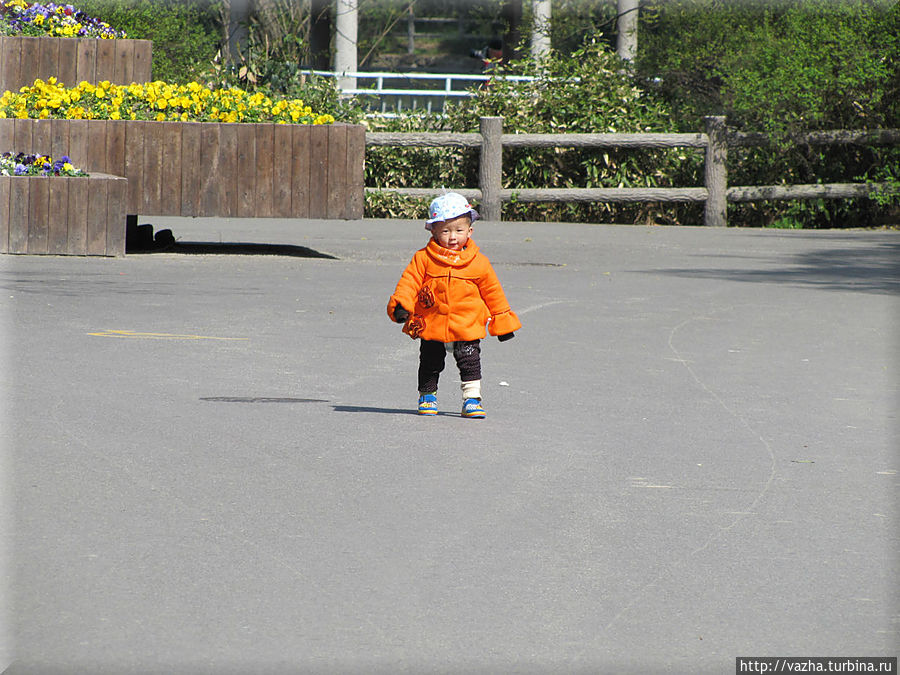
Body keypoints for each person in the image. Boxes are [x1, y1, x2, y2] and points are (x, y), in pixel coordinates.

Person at [387, 192, 521, 418]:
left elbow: (492, 291)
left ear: (470, 231)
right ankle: (427, 395)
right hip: (432, 322)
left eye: (459, 230)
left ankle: (472, 399)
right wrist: (402, 305)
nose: (452, 237)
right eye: (445, 231)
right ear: (433, 231)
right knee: (430, 361)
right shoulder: (424, 258)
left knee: (470, 361)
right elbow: (409, 282)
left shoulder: (478, 262)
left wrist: (502, 321)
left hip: (466, 323)